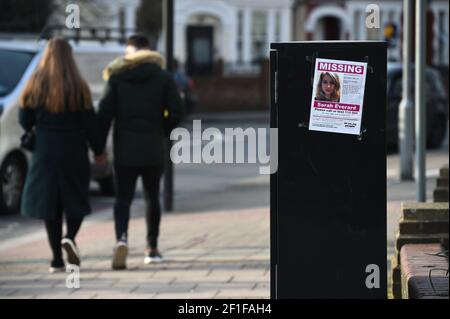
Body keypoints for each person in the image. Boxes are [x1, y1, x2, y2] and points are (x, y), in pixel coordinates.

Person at [97, 34, 184, 270]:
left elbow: (104, 114)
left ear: (129, 52)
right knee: (151, 197)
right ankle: (152, 248)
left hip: (124, 149)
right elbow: (177, 110)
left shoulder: (116, 78)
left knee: (122, 198)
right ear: (149, 51)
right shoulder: (163, 78)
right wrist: (163, 130)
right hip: (154, 148)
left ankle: (121, 239)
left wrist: (98, 147)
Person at [19, 38, 105, 273]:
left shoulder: (35, 83)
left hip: (45, 149)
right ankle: (70, 237)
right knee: (75, 198)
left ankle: (56, 259)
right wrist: (99, 151)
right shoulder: (79, 85)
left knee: (51, 204)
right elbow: (90, 124)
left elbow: (24, 120)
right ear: (70, 57)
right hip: (73, 148)